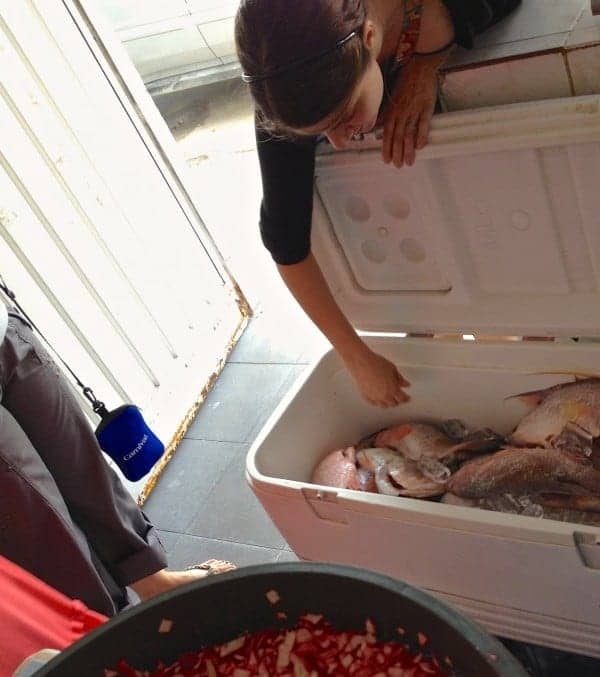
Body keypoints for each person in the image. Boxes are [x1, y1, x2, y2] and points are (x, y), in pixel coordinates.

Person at [235, 0, 521, 408]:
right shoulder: (289, 83)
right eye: (319, 134)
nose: (337, 142)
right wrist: (355, 356)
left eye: (345, 116)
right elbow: (285, 239)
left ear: (370, 38)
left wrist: (427, 64)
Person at [0, 299, 234, 619]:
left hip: (4, 335)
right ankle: (113, 625)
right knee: (40, 520)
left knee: (83, 467)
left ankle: (153, 580)